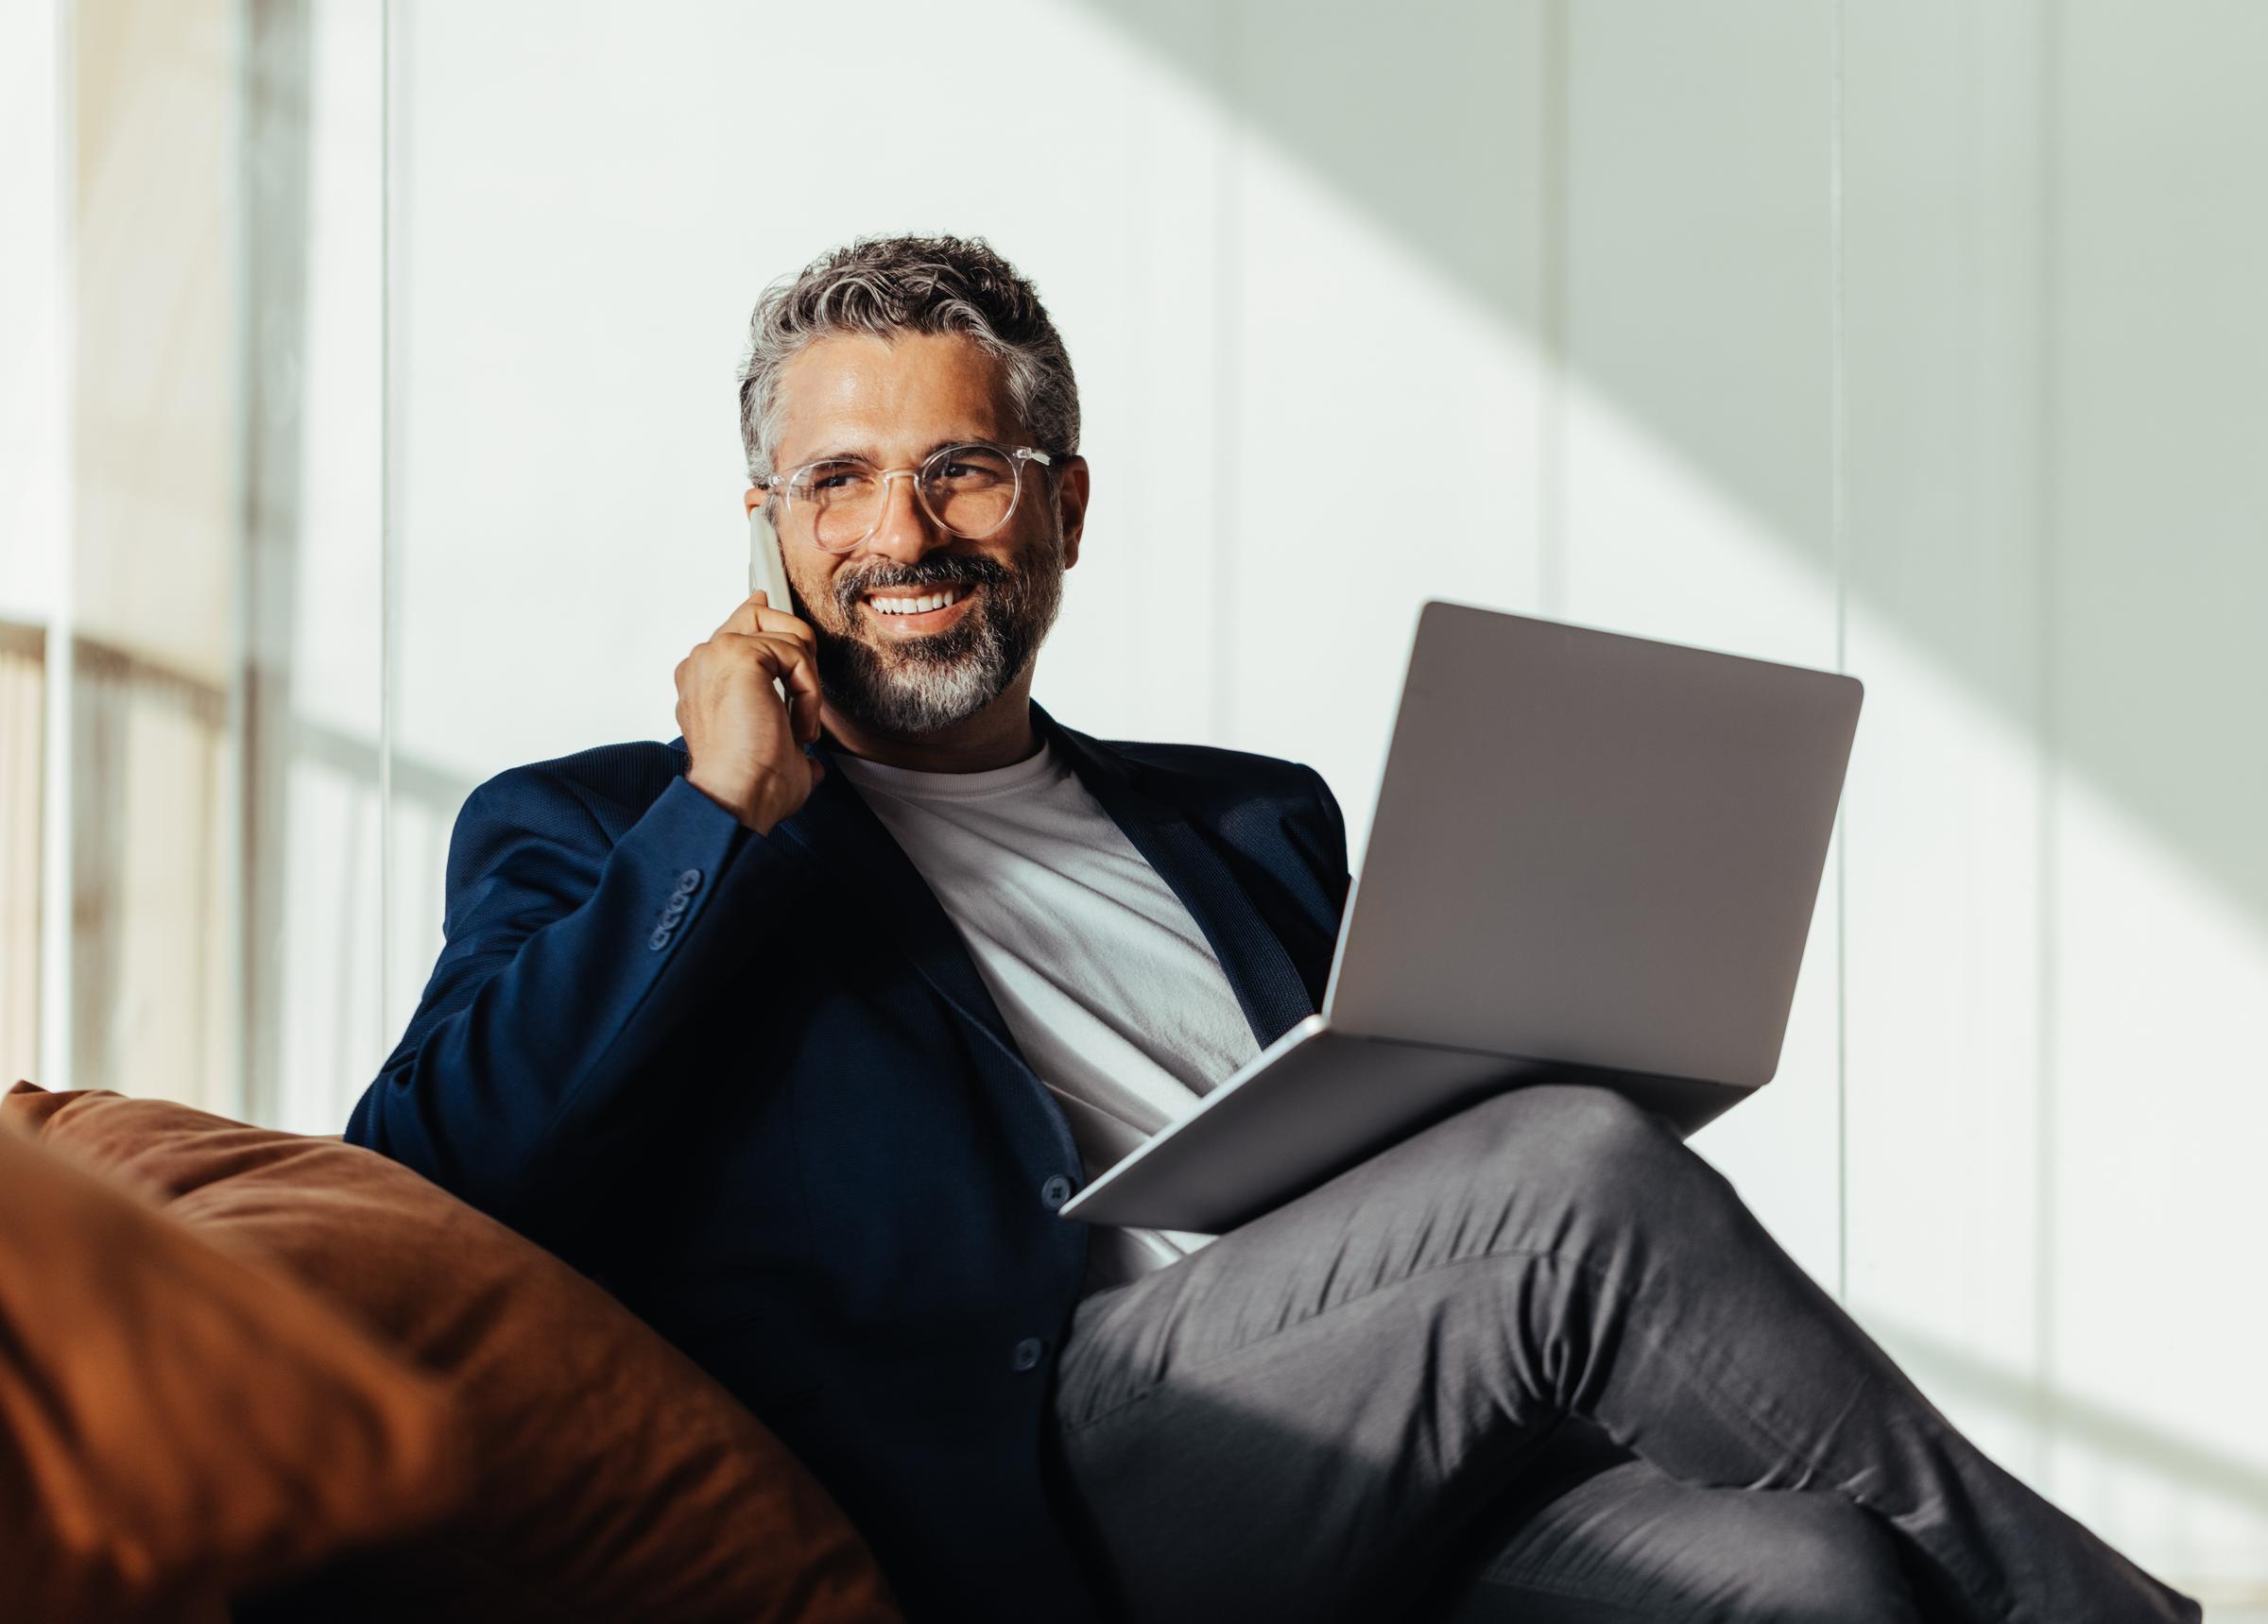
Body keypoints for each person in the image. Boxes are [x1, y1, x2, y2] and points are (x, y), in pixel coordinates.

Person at [346, 233, 2198, 1624]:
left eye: (963, 469)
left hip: (1414, 1431)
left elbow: (1393, 1148)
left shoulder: (1248, 810)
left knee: (1809, 1576)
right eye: (835, 481)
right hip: (1059, 1482)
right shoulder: (607, 822)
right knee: (1562, 1168)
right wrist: (718, 812)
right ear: (767, 530)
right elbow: (436, 1165)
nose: (900, 530)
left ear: (1062, 507)